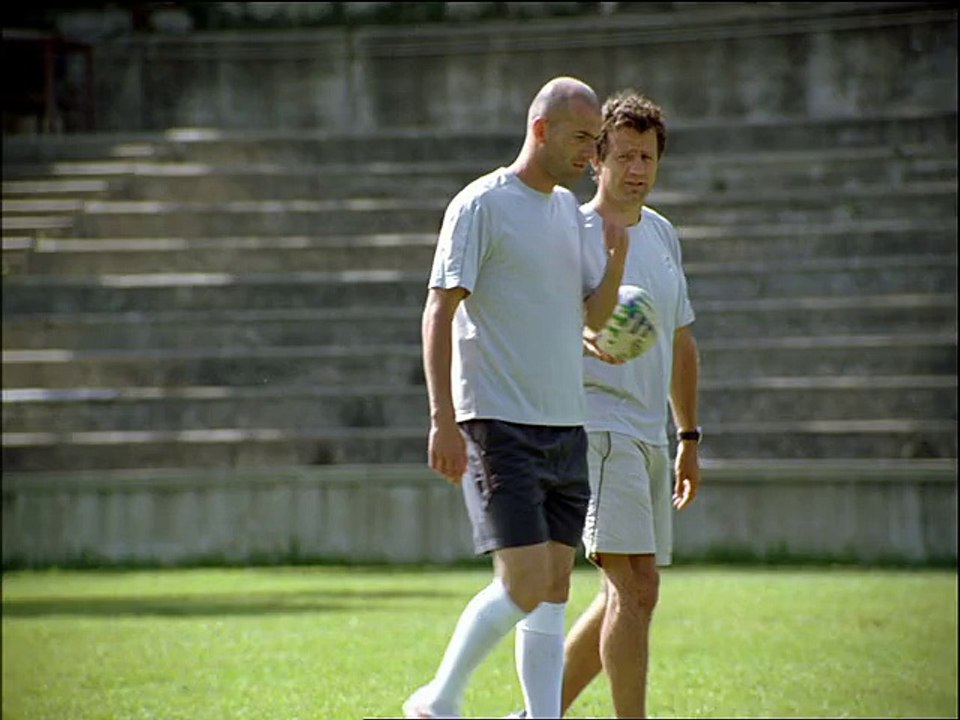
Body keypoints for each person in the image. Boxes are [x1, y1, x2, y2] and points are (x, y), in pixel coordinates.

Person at [402, 76, 630, 719]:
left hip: (566, 425)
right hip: (499, 424)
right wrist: (442, 419)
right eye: (582, 138)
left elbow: (595, 316)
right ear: (541, 130)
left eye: (597, 141)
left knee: (554, 589)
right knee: (525, 583)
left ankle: (543, 717)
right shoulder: (481, 204)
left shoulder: (569, 213)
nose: (592, 154)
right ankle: (437, 701)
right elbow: (439, 310)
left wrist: (614, 261)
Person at [542, 90, 702, 719]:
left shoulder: (662, 232)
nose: (638, 169)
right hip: (597, 430)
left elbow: (681, 340)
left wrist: (689, 436)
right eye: (626, 155)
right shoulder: (571, 233)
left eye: (649, 157)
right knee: (631, 588)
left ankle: (537, 711)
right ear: (597, 159)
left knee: (637, 592)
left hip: (650, 435)